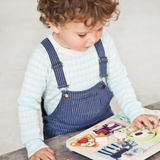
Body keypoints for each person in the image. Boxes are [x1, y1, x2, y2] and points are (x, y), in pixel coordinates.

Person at [18, 0, 159, 160]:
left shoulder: (104, 42)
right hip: (63, 139)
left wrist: (135, 111)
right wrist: (34, 143)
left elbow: (119, 80)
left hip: (106, 129)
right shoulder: (43, 58)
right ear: (55, 24)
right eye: (82, 34)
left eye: (99, 29)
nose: (93, 39)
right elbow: (28, 103)